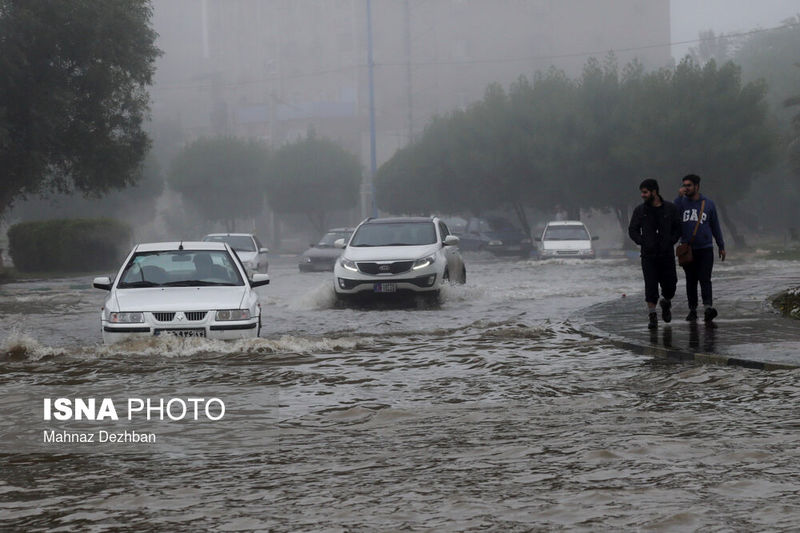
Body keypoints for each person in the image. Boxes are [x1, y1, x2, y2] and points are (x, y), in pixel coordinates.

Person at [628, 178, 682, 329]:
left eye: (645, 192)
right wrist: (642, 241)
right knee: (650, 286)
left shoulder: (670, 209)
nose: (642, 195)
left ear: (654, 192)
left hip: (666, 255)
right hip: (648, 256)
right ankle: (652, 315)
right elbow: (632, 229)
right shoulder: (640, 211)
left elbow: (678, 227)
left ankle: (666, 302)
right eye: (641, 193)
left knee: (670, 286)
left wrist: (671, 240)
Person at [674, 174, 726, 323]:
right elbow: (673, 215)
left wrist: (721, 246)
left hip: (705, 248)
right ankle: (692, 310)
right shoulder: (681, 203)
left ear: (697, 186)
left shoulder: (708, 204)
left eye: (689, 185)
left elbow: (715, 226)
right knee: (691, 280)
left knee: (705, 278)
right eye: (684, 185)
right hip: (688, 250)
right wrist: (678, 198)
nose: (686, 188)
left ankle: (708, 308)